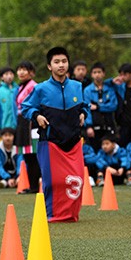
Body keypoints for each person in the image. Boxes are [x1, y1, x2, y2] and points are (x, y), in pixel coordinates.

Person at [21, 47, 87, 222]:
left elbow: (84, 106)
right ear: (49, 66)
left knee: (78, 179)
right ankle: (52, 214)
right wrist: (37, 116)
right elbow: (26, 107)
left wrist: (83, 114)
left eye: (64, 61)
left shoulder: (77, 87)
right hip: (50, 142)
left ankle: (71, 214)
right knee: (52, 182)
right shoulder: (41, 89)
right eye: (56, 62)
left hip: (74, 142)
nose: (61, 65)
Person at [14, 61, 39, 192]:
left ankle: (36, 186)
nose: (21, 72)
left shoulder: (33, 86)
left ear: (32, 73)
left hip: (31, 122)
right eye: (19, 70)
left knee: (33, 155)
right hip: (22, 122)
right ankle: (32, 185)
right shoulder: (20, 87)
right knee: (27, 156)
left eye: (24, 70)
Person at [83, 62, 118, 149]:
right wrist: (88, 126)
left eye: (99, 72)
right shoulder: (87, 90)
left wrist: (98, 107)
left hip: (109, 124)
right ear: (91, 74)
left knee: (110, 149)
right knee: (94, 149)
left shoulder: (109, 89)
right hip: (94, 126)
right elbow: (87, 109)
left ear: (103, 73)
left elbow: (113, 105)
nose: (97, 75)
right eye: (94, 72)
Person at [0, 67, 18, 141]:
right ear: (2, 77)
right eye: (6, 74)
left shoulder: (18, 89)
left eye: (11, 74)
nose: (9, 76)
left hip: (17, 127)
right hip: (2, 127)